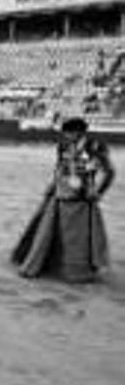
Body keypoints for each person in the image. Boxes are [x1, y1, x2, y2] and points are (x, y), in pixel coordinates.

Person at [12, 117, 115, 282]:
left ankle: (77, 271)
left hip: (82, 199)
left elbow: (109, 172)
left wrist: (98, 192)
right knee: (49, 233)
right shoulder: (63, 146)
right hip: (61, 195)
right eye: (66, 133)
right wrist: (51, 188)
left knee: (77, 239)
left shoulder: (95, 146)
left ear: (80, 132)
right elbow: (60, 170)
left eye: (70, 132)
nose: (67, 136)